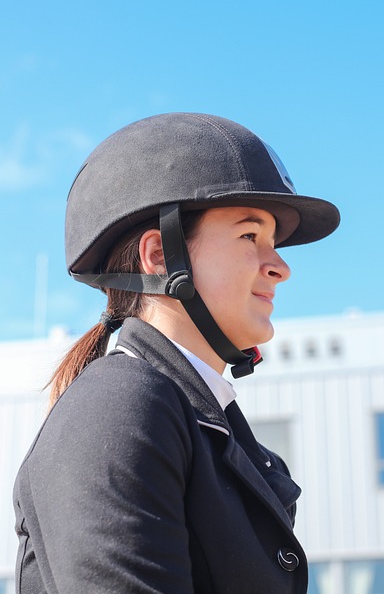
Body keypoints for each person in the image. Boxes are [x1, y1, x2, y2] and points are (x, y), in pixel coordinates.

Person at [13, 113, 340, 594]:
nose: (281, 267)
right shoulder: (120, 404)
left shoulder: (199, 422)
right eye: (250, 236)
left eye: (274, 242)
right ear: (160, 256)